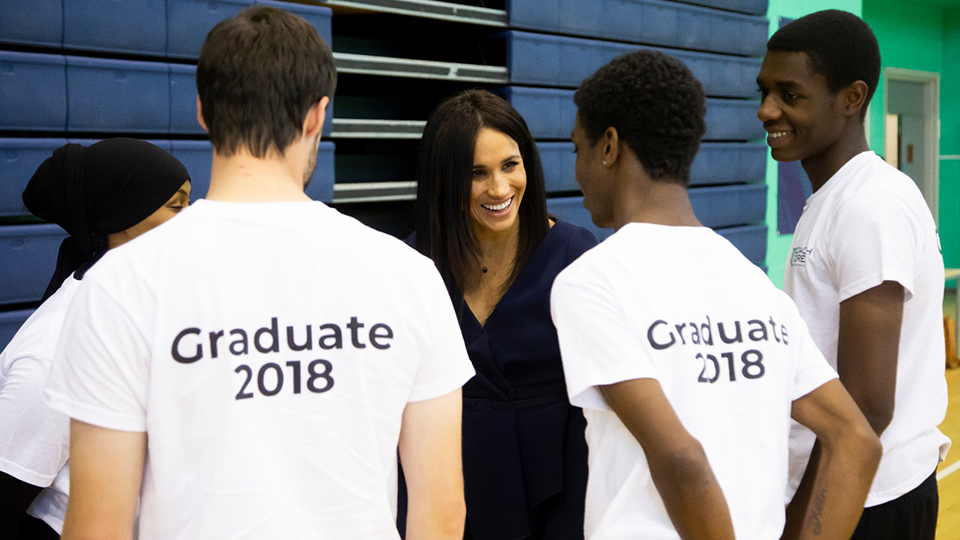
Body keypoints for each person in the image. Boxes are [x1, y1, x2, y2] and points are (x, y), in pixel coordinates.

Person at [43, 6, 473, 540]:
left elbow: (96, 527)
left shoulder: (121, 284)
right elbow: (440, 512)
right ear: (318, 115)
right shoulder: (409, 276)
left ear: (203, 111)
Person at [551, 49, 882, 540]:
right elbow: (857, 440)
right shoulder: (754, 284)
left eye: (578, 148)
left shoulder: (591, 281)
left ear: (609, 146)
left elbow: (682, 460)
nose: (576, 171)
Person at [757, 10, 950, 539]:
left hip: (868, 500)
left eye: (789, 95)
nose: (766, 110)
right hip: (855, 492)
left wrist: (806, 521)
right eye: (765, 91)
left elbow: (866, 405)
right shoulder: (837, 197)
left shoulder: (871, 206)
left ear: (851, 98)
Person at [411, 89, 596, 540]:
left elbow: (594, 407)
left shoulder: (575, 256)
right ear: (444, 180)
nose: (498, 188)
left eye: (510, 166)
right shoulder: (416, 263)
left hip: (558, 494)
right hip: (451, 491)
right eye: (476, 173)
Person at [0, 138, 191, 539]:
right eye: (176, 205)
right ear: (123, 211)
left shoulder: (151, 307)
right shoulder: (57, 347)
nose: (189, 221)